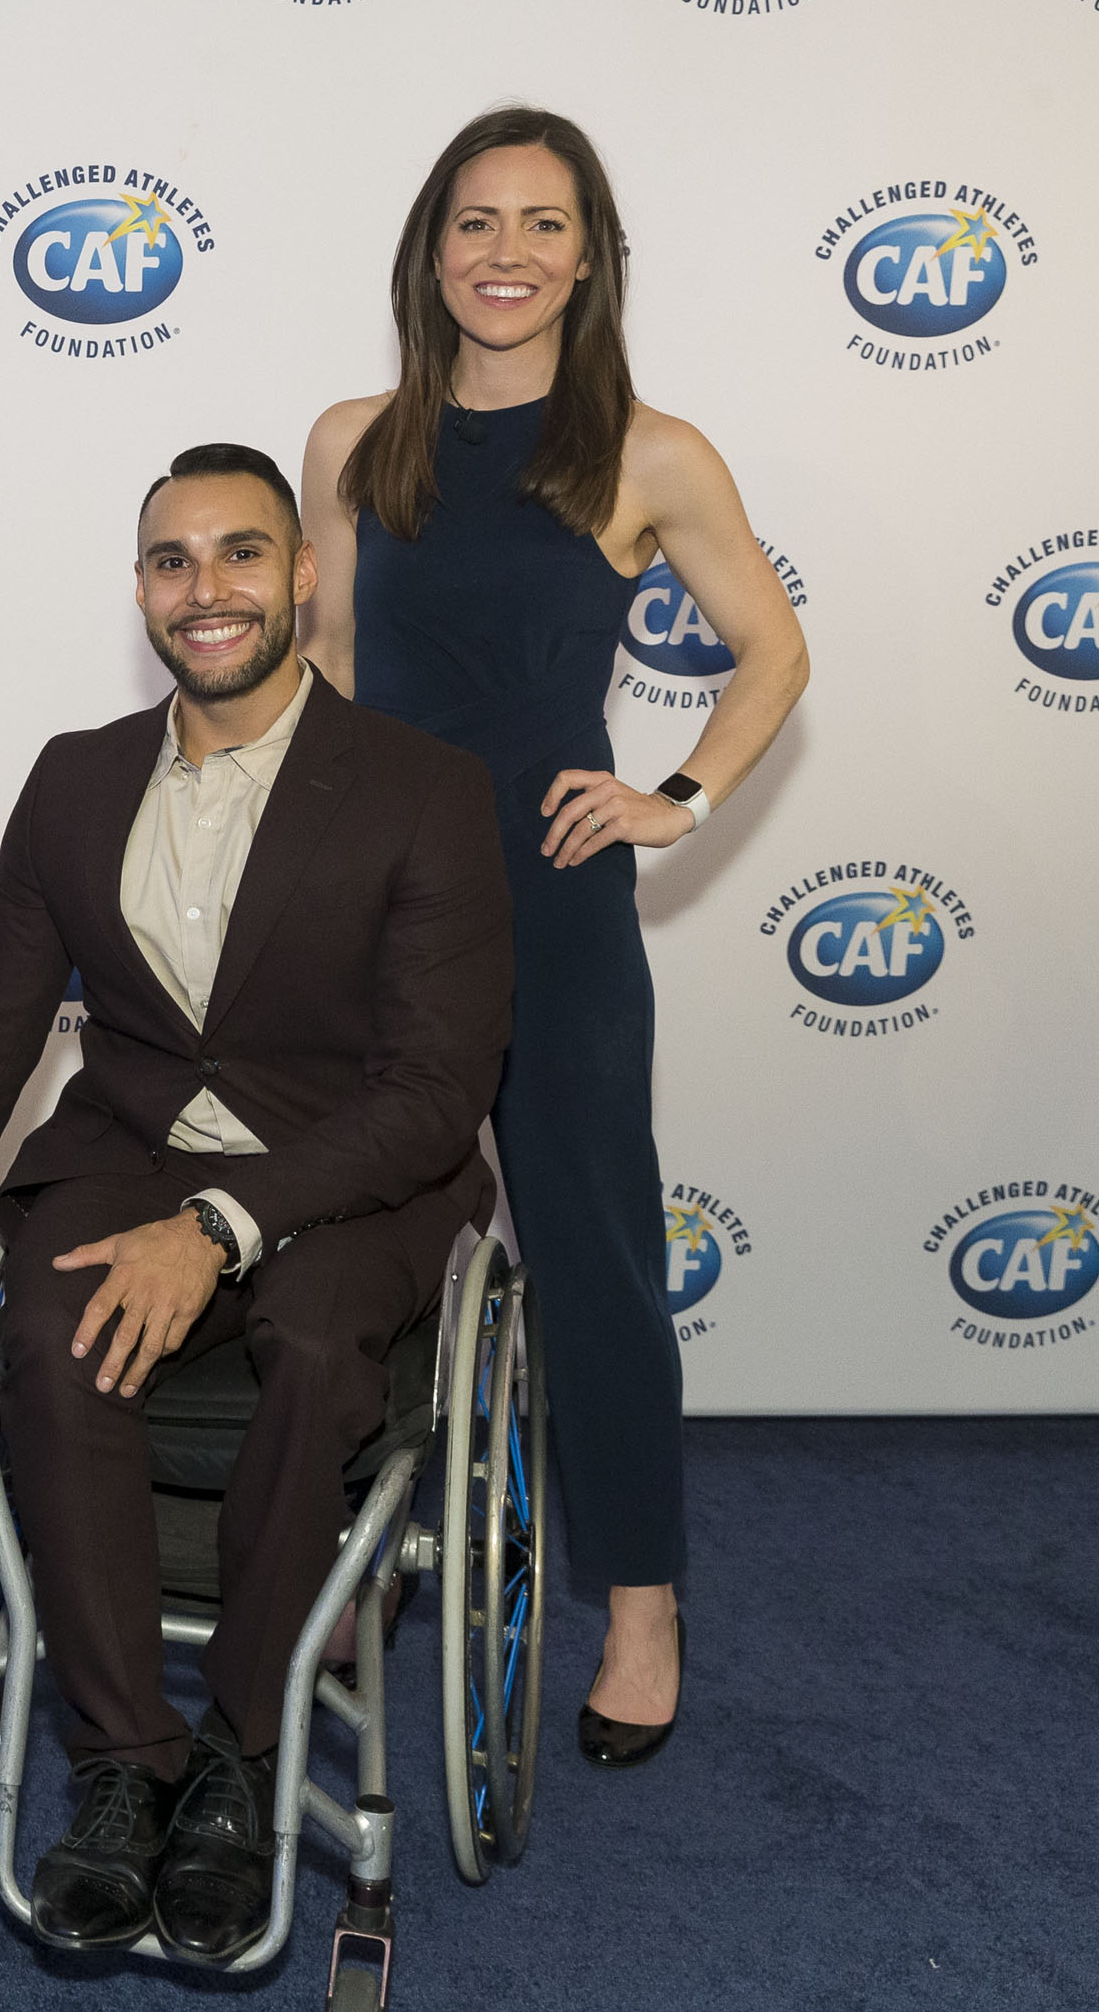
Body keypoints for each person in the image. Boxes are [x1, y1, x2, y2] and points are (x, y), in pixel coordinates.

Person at [0, 446, 513, 1960]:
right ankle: (121, 1761)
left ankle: (240, 1749)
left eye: (239, 555)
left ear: (301, 577)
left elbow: (432, 1093)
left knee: (310, 1338)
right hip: (138, 1137)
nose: (204, 589)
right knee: (50, 1325)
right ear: (142, 589)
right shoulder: (77, 776)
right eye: (171, 560)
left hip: (353, 1164)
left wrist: (226, 1226)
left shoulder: (425, 790)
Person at [300, 106, 809, 1768]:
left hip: (553, 895)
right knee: (344, 1238)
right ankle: (354, 1547)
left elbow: (773, 652)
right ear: (428, 250)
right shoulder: (352, 440)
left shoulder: (648, 452)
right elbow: (316, 662)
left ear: (589, 257)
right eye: (475, 221)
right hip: (376, 897)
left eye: (541, 223)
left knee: (593, 1259)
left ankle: (642, 1603)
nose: (505, 253)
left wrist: (679, 792)